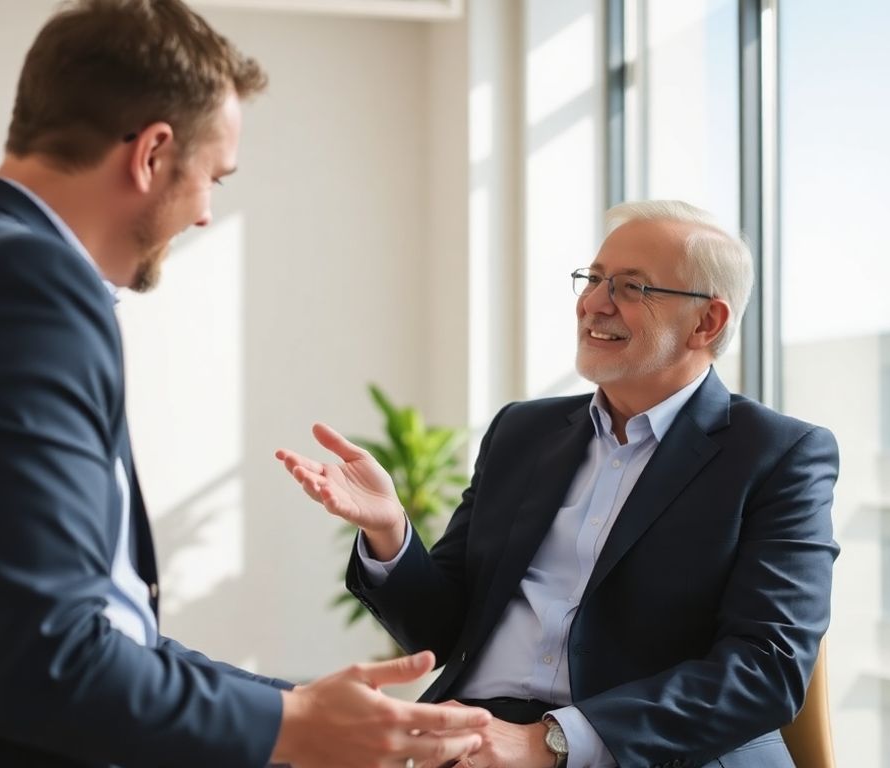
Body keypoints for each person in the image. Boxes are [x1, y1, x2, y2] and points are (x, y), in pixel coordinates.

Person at [0, 2, 490, 766]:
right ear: (152, 154)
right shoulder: (20, 289)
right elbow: (42, 661)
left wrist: (293, 707)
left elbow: (92, 625)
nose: (206, 213)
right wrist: (290, 727)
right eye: (213, 177)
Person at [277, 201, 839, 768]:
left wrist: (550, 742)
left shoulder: (779, 455)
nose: (593, 303)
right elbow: (441, 630)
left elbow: (766, 668)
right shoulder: (522, 430)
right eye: (593, 279)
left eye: (631, 287)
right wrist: (390, 532)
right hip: (474, 739)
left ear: (706, 322)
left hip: (638, 752)